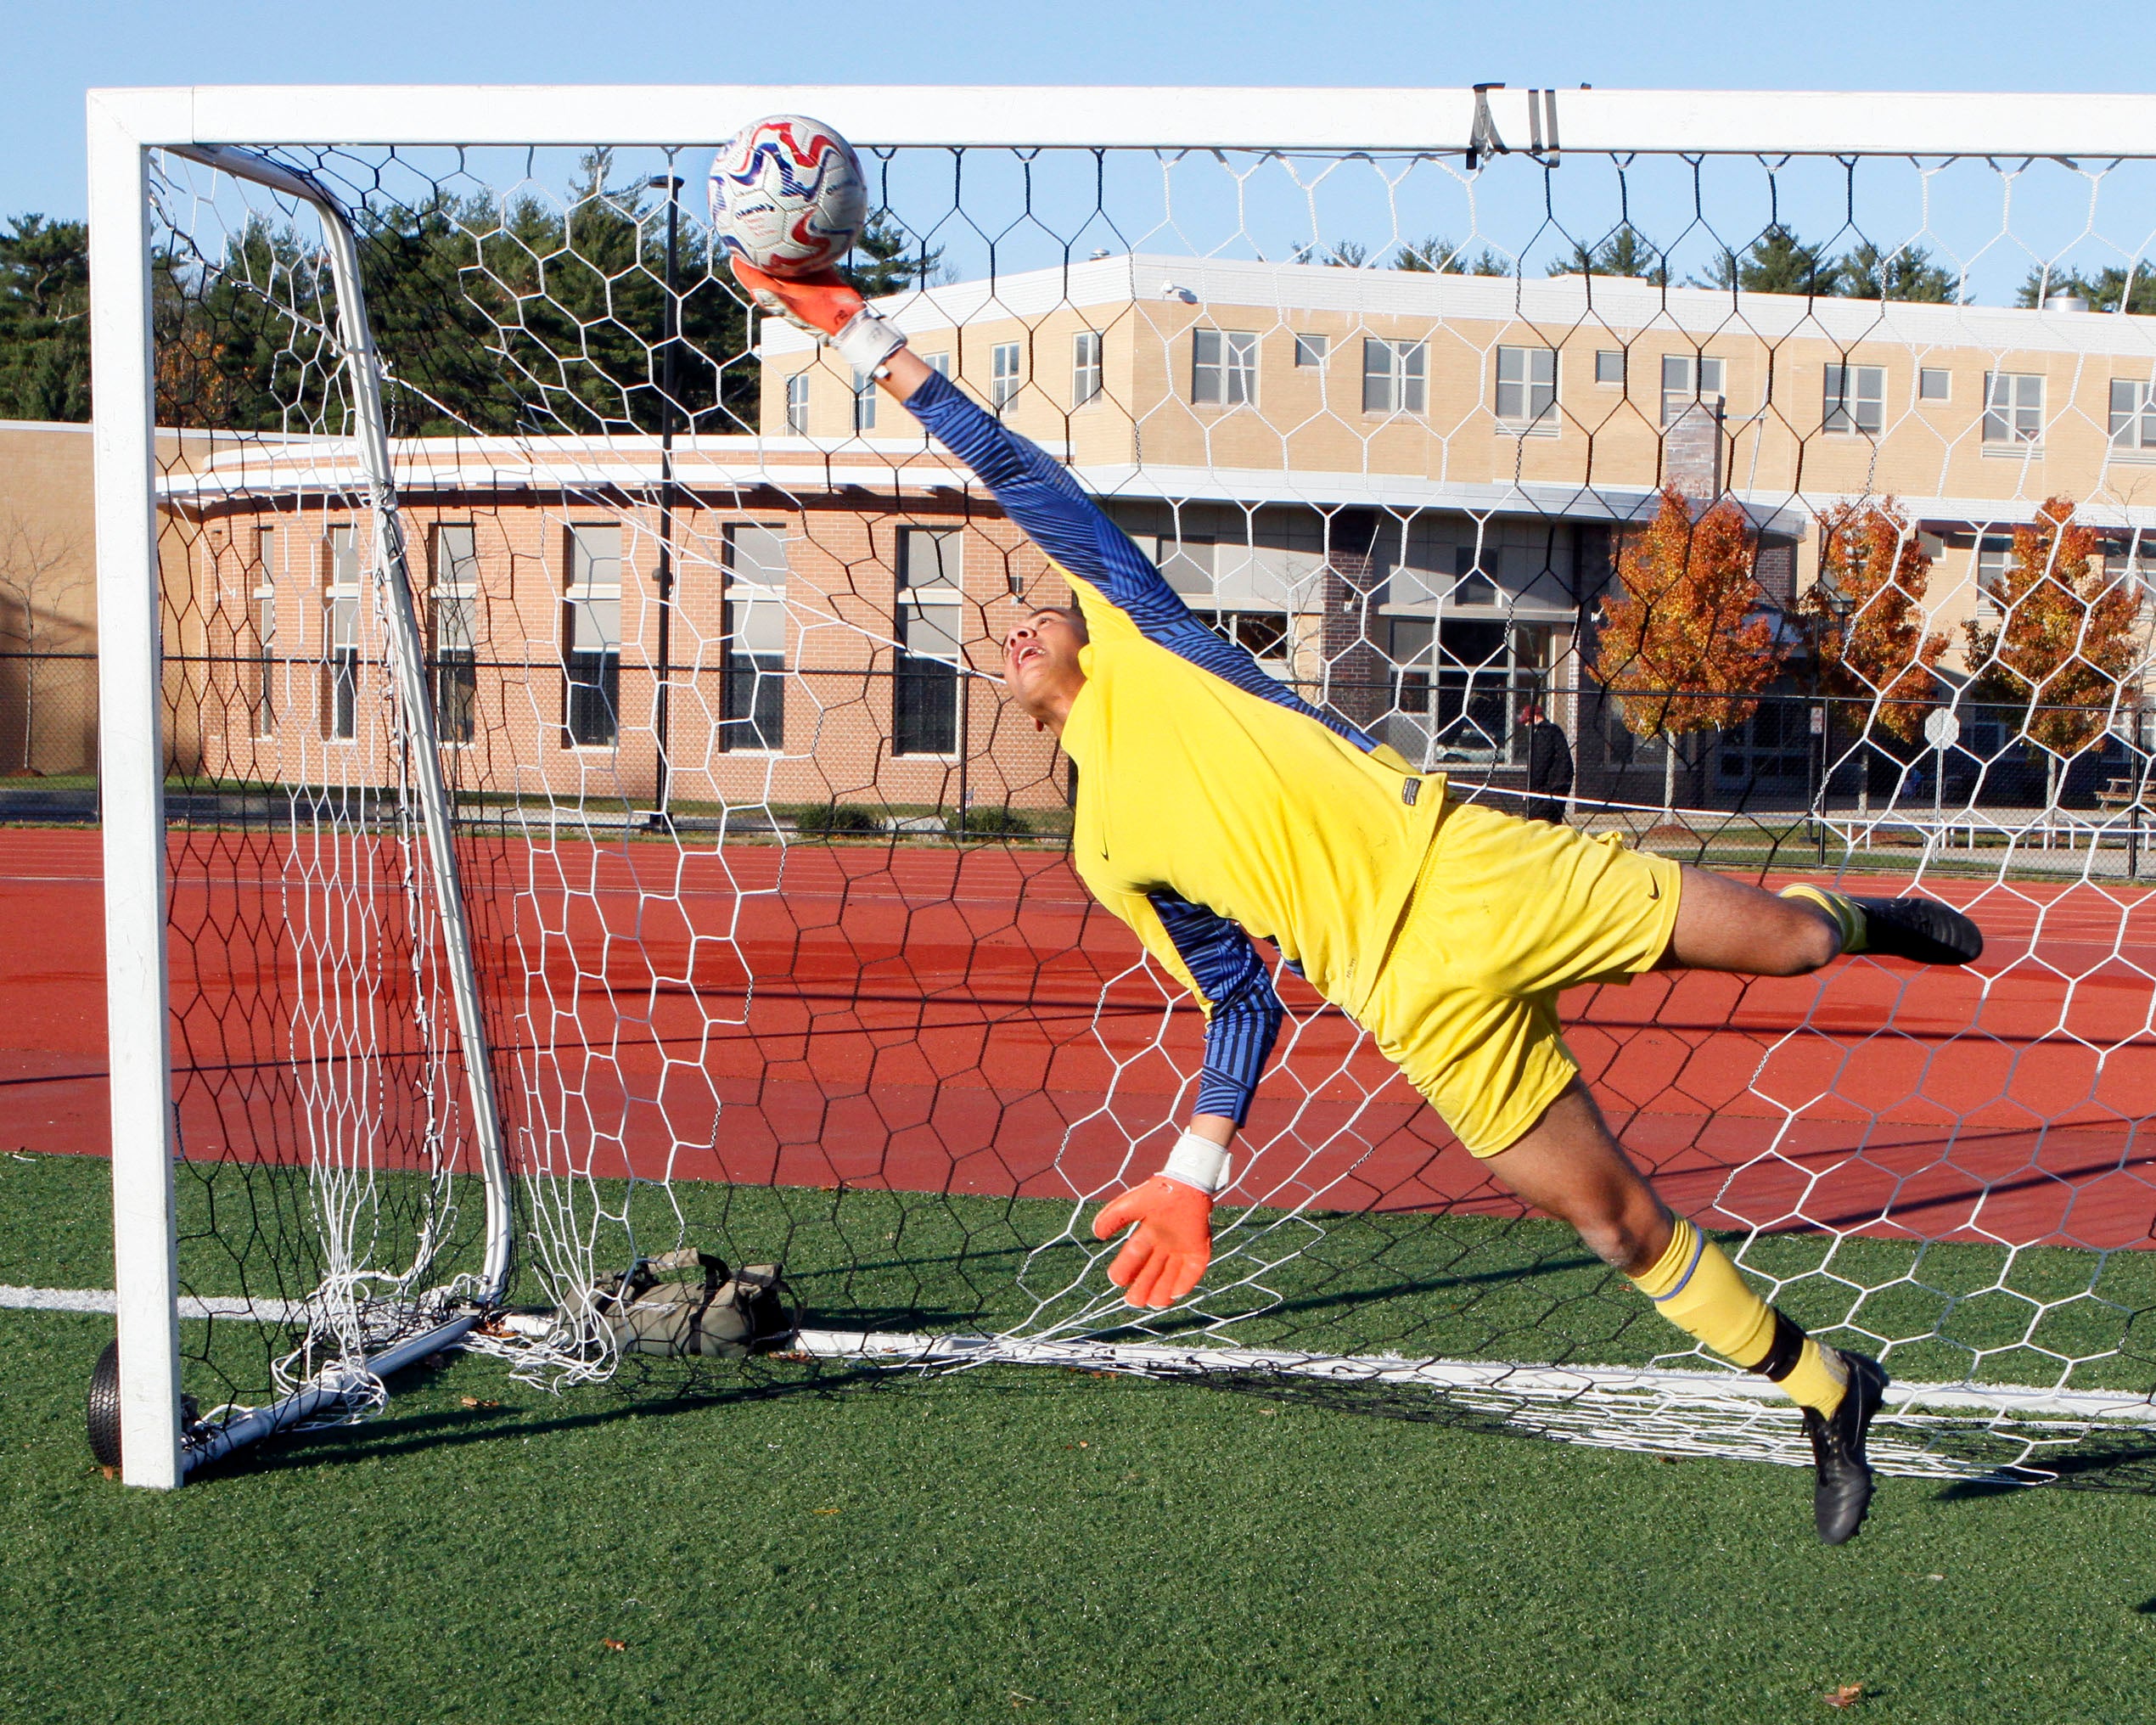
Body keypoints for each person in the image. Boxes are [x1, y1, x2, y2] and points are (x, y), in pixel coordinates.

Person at [735, 259, 1985, 1546]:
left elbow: (1028, 480)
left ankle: (1860, 916)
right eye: (1000, 632)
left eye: (1038, 611)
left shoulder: (1157, 642)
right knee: (1613, 1223)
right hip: (1410, 1001)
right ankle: (1829, 1392)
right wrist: (1192, 1173)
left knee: (1778, 944)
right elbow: (1238, 999)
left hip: (1469, 868)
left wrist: (867, 341)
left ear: (1087, 625)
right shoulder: (1105, 848)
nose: (1014, 626)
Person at [1518, 701, 1574, 824]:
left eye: (1528, 721)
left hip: (1547, 788)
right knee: (1553, 822)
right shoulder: (1553, 731)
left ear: (1536, 717)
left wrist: (1531, 788)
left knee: (1540, 821)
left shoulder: (1544, 733)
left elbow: (1540, 764)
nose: (1527, 725)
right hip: (1557, 785)